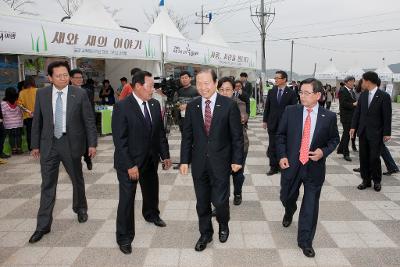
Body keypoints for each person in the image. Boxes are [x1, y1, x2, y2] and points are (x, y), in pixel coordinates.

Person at [28, 61, 97, 244]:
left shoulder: (80, 93)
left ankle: (80, 208)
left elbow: (89, 120)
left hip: (71, 142)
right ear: (50, 78)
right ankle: (43, 225)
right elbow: (37, 122)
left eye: (65, 75)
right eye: (58, 76)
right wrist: (35, 145)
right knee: (47, 184)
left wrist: (92, 143)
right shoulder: (41, 94)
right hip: (49, 144)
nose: (63, 78)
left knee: (77, 179)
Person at [180, 69, 244, 252]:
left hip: (221, 163)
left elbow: (236, 137)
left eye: (207, 83)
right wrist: (184, 160)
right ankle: (205, 233)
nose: (203, 87)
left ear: (215, 83)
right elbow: (188, 137)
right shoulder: (193, 107)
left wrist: (237, 159)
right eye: (199, 83)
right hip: (199, 163)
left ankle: (223, 223)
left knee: (220, 201)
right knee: (201, 201)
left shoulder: (228, 105)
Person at [276, 78, 339, 258]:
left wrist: (323, 151)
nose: (302, 96)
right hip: (292, 165)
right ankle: (289, 210)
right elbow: (280, 135)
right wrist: (282, 156)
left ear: (318, 95)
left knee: (311, 205)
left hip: (314, 168)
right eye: (300, 92)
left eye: (306, 93)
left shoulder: (329, 117)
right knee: (286, 196)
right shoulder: (291, 111)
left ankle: (305, 241)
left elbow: (334, 139)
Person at [112, 70, 172, 255]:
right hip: (129, 162)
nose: (153, 89)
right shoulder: (123, 106)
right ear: (138, 86)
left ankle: (152, 214)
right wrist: (130, 165)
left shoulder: (154, 104)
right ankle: (124, 236)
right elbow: (120, 140)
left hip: (151, 158)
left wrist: (165, 155)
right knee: (127, 199)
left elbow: (159, 133)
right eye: (151, 86)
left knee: (151, 190)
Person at [351, 71, 392, 192]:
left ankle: (377, 181)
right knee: (363, 157)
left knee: (374, 158)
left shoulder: (384, 96)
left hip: (376, 133)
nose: (361, 83)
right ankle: (366, 180)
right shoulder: (363, 95)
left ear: (368, 81)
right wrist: (353, 127)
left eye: (363, 80)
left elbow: (387, 116)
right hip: (363, 131)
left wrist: (387, 133)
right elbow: (357, 113)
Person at [218, 77, 249, 205]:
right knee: (221, 175)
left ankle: (238, 193)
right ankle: (221, 201)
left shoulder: (239, 103)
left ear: (233, 90)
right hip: (220, 146)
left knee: (237, 173)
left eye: (228, 90)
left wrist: (242, 118)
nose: (225, 93)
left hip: (239, 145)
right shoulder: (214, 103)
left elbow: (243, 116)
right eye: (221, 90)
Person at [263, 70, 298, 176]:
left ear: (284, 80)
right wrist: (265, 120)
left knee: (284, 145)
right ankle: (273, 167)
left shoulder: (291, 93)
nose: (276, 80)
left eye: (278, 78)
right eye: (275, 78)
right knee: (272, 145)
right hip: (272, 123)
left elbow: (294, 110)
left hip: (285, 124)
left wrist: (293, 124)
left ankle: (282, 165)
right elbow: (267, 107)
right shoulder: (272, 91)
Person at [70, 69, 93, 170]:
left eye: (81, 77)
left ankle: (88, 159)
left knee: (87, 142)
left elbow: (90, 107)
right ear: (71, 79)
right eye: (77, 78)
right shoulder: (67, 92)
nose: (80, 80)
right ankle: (76, 163)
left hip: (85, 123)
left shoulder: (87, 92)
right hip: (73, 124)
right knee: (75, 145)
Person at [337, 76, 356, 162]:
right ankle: (346, 153)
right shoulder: (342, 91)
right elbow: (343, 104)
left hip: (351, 116)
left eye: (353, 81)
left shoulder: (352, 91)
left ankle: (340, 149)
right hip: (346, 116)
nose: (353, 83)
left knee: (346, 134)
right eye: (351, 81)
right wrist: (353, 104)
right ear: (346, 82)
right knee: (347, 134)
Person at [1, 87, 24, 155]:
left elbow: (3, 113)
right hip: (18, 122)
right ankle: (19, 149)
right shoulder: (18, 102)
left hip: (9, 124)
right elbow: (22, 111)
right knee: (18, 136)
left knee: (11, 136)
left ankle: (13, 150)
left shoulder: (3, 103)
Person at [18, 76, 37, 151]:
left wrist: (28, 111)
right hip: (38, 115)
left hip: (28, 116)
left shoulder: (22, 92)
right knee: (39, 131)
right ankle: (39, 147)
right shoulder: (38, 90)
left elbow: (20, 105)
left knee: (29, 132)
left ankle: (31, 147)